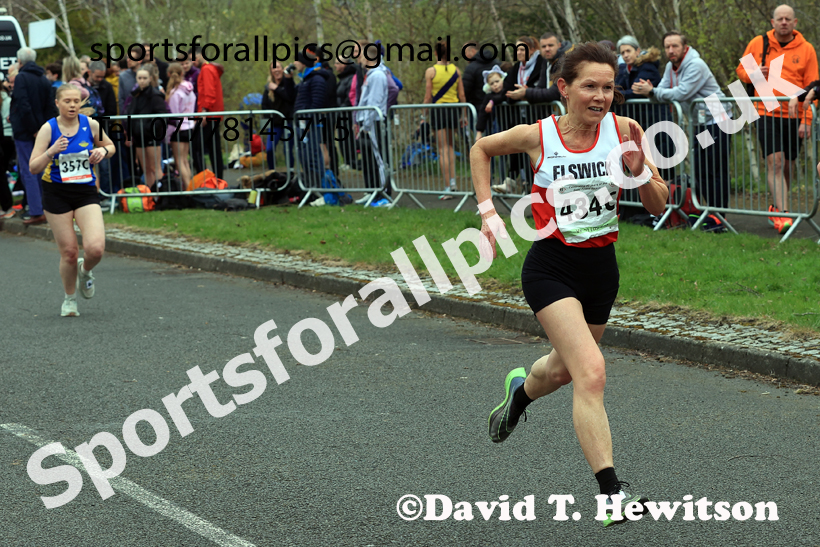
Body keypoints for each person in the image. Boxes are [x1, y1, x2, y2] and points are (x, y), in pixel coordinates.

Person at [472, 42, 668, 528]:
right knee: (592, 372)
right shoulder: (538, 135)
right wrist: (488, 213)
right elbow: (481, 148)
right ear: (564, 87)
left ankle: (519, 394)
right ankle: (611, 494)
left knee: (563, 371)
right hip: (550, 268)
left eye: (608, 87)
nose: (601, 97)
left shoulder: (625, 130)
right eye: (590, 86)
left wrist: (637, 166)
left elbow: (659, 204)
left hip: (602, 269)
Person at [28, 83, 115, 317]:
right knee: (68, 252)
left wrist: (103, 152)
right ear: (57, 103)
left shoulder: (91, 125)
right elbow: (33, 166)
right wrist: (51, 151)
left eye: (76, 101)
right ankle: (69, 299)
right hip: (56, 193)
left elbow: (111, 146)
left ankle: (85, 272)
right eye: (67, 101)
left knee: (95, 248)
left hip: (85, 191)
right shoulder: (49, 129)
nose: (73, 105)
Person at [736, 4, 818, 234]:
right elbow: (741, 71)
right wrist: (752, 74)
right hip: (764, 110)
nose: (783, 22)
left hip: (794, 114)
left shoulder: (806, 49)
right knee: (776, 161)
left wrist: (807, 120)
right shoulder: (759, 43)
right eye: (779, 19)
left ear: (794, 23)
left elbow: (813, 87)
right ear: (772, 22)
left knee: (789, 165)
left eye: (787, 19)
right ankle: (783, 213)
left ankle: (777, 206)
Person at [632, 30, 731, 211]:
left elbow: (681, 92)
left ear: (684, 47)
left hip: (719, 120)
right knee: (701, 168)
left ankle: (719, 214)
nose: (671, 50)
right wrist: (652, 92)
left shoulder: (696, 65)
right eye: (667, 47)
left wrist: (652, 92)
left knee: (715, 168)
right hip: (701, 124)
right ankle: (708, 211)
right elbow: (662, 90)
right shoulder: (671, 67)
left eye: (675, 46)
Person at [10, 47, 55, 225]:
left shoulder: (21, 77)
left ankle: (36, 210)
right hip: (41, 130)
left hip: (26, 131)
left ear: (20, 62)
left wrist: (33, 128)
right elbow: (49, 106)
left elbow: (23, 104)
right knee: (41, 169)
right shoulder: (43, 79)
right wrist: (44, 129)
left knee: (29, 170)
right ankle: (46, 207)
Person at [424, 39, 468, 199]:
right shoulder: (456, 70)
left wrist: (423, 115)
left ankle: (448, 186)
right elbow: (462, 95)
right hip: (453, 111)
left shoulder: (431, 71)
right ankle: (453, 182)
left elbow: (428, 96)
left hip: (439, 110)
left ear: (435, 53)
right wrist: (463, 114)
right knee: (450, 147)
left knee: (443, 150)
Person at [125, 64, 168, 189]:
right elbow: (130, 114)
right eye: (139, 78)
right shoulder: (135, 95)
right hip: (138, 136)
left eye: (144, 78)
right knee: (146, 169)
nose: (142, 81)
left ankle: (161, 194)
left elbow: (162, 115)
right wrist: (131, 132)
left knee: (155, 167)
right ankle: (150, 196)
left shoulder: (155, 95)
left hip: (152, 136)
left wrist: (151, 129)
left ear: (150, 79)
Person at [193, 46, 225, 179]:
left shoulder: (206, 70)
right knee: (214, 148)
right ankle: (218, 179)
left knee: (196, 147)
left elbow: (209, 92)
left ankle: (204, 178)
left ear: (200, 55)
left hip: (209, 114)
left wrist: (204, 112)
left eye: (193, 58)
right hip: (214, 113)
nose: (193, 63)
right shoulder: (211, 69)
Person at [88, 60, 118, 197]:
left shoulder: (107, 86)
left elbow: (112, 109)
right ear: (90, 73)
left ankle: (105, 193)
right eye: (97, 77)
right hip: (85, 128)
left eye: (102, 77)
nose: (100, 80)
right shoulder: (81, 86)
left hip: (101, 128)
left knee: (104, 164)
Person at [164, 63, 196, 191]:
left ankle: (188, 189)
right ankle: (191, 187)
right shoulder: (190, 90)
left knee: (179, 161)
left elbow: (173, 116)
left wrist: (168, 135)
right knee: (185, 160)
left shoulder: (175, 93)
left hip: (178, 128)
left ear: (168, 75)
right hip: (189, 126)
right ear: (182, 74)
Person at [261, 60, 295, 170]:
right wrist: (269, 119)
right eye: (273, 68)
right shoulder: (268, 87)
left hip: (288, 122)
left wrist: (276, 89)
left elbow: (290, 98)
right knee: (269, 149)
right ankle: (272, 172)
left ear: (282, 69)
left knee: (288, 149)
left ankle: (290, 172)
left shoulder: (288, 83)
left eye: (278, 67)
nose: (276, 70)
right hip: (275, 124)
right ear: (271, 71)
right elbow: (264, 105)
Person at [462, 40, 500, 114]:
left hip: (478, 108)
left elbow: (465, 90)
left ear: (472, 51)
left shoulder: (471, 68)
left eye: (465, 52)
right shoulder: (497, 63)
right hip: (499, 106)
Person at [475, 67, 510, 140]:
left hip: (511, 125)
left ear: (503, 79)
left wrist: (492, 101)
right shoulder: (488, 96)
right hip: (497, 128)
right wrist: (479, 131)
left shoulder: (508, 91)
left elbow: (503, 96)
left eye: (497, 81)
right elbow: (482, 113)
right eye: (491, 83)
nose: (495, 85)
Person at [0, 79, 15, 218]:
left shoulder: (6, 100)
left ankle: (7, 207)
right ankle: (6, 207)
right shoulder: (7, 99)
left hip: (6, 138)